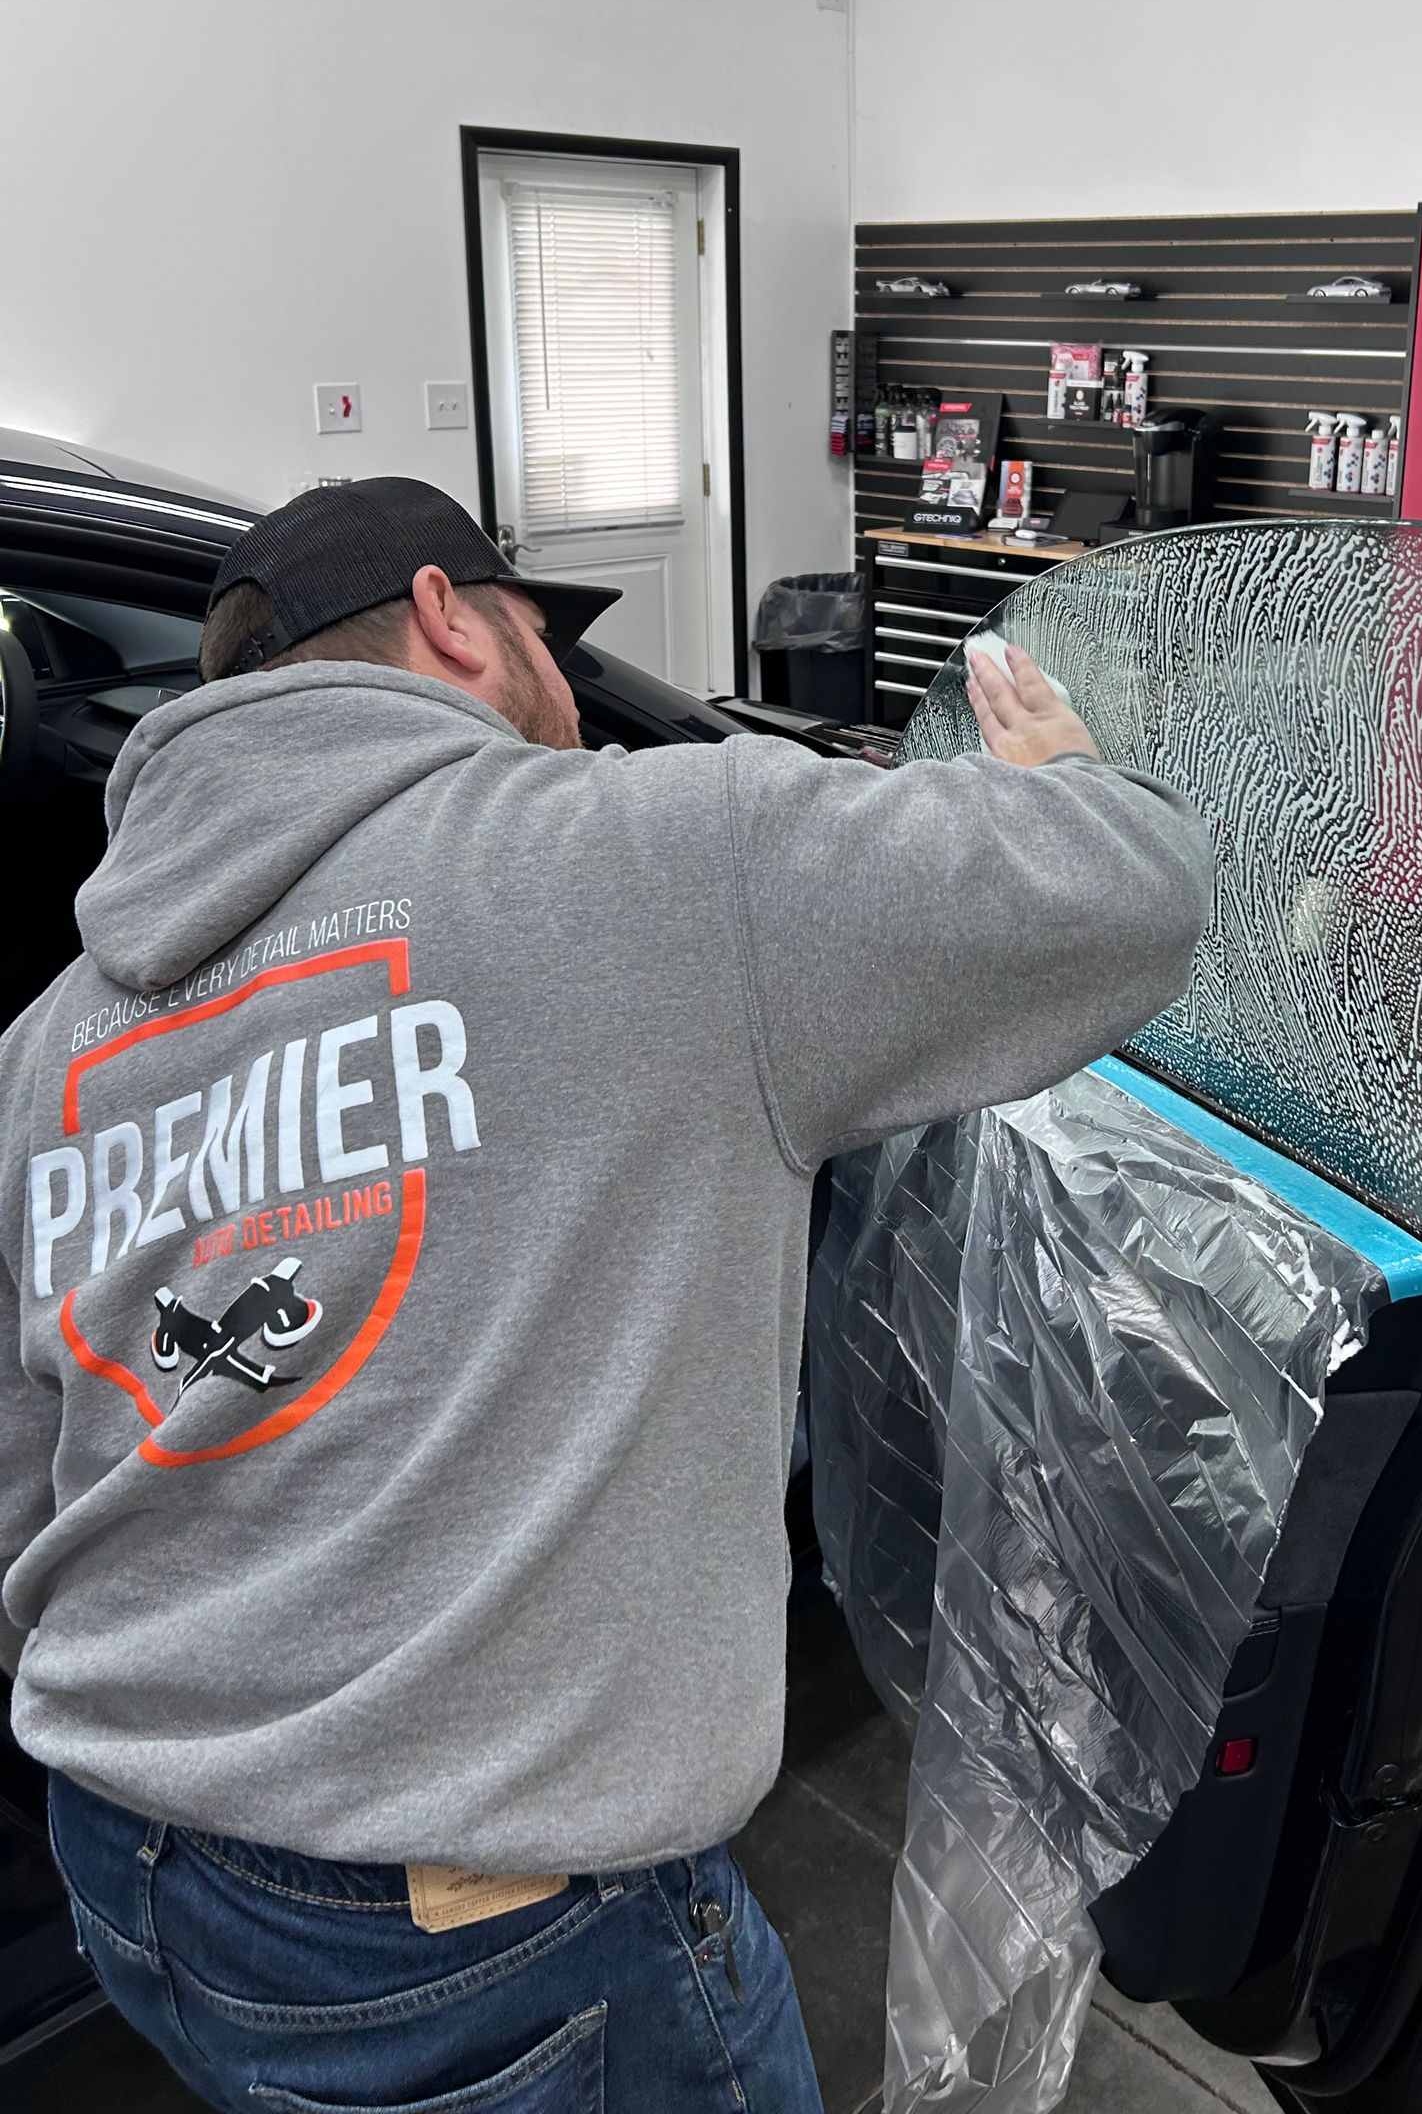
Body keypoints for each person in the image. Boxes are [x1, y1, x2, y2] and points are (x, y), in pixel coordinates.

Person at [0, 476, 1213, 2114]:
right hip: (471, 1932)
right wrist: (1065, 768)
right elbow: (1127, 892)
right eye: (546, 647)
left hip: (121, 1851)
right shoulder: (657, 852)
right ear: (450, 617)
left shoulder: (47, 1046)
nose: (576, 706)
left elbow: (29, 1480)